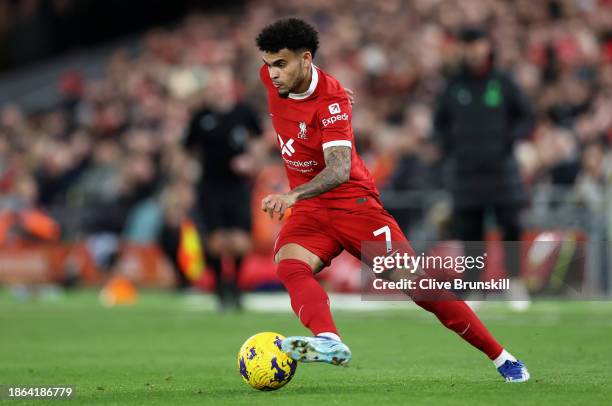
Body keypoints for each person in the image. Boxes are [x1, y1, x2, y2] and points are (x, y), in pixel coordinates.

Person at [256, 18, 529, 383]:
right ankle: (328, 339)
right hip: (311, 209)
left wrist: (290, 194)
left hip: (354, 206)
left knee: (419, 287)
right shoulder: (277, 78)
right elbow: (304, 80)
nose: (272, 73)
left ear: (305, 59)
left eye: (281, 64)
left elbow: (338, 171)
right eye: (269, 63)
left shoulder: (333, 102)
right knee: (289, 264)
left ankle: (503, 358)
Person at [432, 27, 536, 310]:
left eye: (477, 43)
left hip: (501, 168)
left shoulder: (503, 82)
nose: (473, 50)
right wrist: (450, 148)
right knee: (470, 231)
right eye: (467, 44)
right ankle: (474, 287)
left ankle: (514, 283)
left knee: (511, 224)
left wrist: (511, 140)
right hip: (466, 171)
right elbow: (438, 124)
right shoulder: (453, 86)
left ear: (487, 46)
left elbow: (527, 116)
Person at [185, 66, 263, 310]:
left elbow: (261, 139)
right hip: (210, 186)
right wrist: (187, 178)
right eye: (214, 83)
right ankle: (220, 287)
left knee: (240, 241)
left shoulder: (243, 112)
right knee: (216, 242)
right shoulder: (201, 116)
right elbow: (187, 149)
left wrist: (250, 161)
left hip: (237, 186)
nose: (218, 87)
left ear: (231, 85)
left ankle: (237, 286)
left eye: (223, 82)